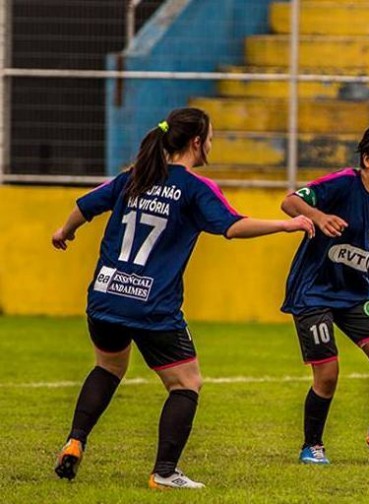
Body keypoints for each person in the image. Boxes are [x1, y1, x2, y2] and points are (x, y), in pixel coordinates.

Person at [52, 107, 314, 489]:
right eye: (209, 137)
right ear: (196, 142)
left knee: (108, 368)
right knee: (186, 383)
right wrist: (286, 224)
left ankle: (75, 441)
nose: (211, 143)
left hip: (106, 294)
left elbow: (84, 206)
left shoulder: (134, 179)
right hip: (152, 303)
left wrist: (64, 231)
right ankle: (165, 472)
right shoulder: (193, 188)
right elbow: (233, 227)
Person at [280, 124, 369, 465]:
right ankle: (312, 445)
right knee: (327, 374)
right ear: (367, 159)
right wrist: (318, 216)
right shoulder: (342, 182)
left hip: (354, 292)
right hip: (314, 293)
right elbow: (290, 201)